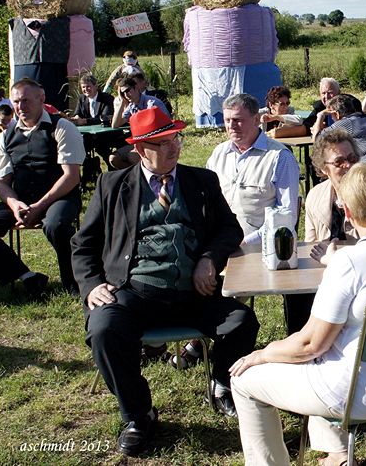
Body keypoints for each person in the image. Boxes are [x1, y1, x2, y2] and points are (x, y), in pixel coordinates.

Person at [71, 106, 260, 456]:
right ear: (141, 150)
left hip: (193, 293)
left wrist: (208, 259)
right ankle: (138, 414)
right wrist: (91, 284)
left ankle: (221, 384)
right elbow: (83, 244)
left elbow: (229, 229)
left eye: (176, 138)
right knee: (103, 329)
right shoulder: (112, 185)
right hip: (134, 292)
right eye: (163, 142)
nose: (174, 147)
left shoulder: (201, 181)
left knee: (241, 322)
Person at [230, 162, 366, 466]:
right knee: (328, 353)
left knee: (244, 380)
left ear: (347, 212)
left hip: (357, 394)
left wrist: (262, 354)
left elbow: (309, 345)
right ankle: (337, 453)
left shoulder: (349, 262)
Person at [207, 92, 302, 338]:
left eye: (238, 120)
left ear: (257, 119)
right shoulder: (219, 154)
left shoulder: (279, 157)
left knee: (224, 293)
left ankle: (202, 342)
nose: (231, 126)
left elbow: (287, 216)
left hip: (256, 247)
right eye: (227, 120)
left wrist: (244, 242)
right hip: (217, 243)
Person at [0, 78, 85, 297]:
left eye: (26, 100)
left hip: (60, 197)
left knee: (56, 225)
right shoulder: (5, 136)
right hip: (22, 200)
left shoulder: (61, 127)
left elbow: (71, 176)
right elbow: (2, 183)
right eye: (16, 102)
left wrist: (40, 206)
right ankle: (27, 277)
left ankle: (74, 281)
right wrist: (14, 204)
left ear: (41, 99)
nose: (20, 107)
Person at [313, 94, 366, 167]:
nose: (332, 118)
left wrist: (320, 116)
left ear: (337, 114)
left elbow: (317, 139)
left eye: (331, 114)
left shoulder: (347, 122)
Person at [110, 77, 170, 169]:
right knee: (113, 159)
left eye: (127, 90)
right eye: (123, 93)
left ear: (136, 88)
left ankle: (149, 173)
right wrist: (122, 102)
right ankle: (135, 175)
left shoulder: (152, 103)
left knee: (132, 156)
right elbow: (115, 125)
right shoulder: (131, 106)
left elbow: (165, 128)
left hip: (156, 143)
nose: (126, 95)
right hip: (139, 144)